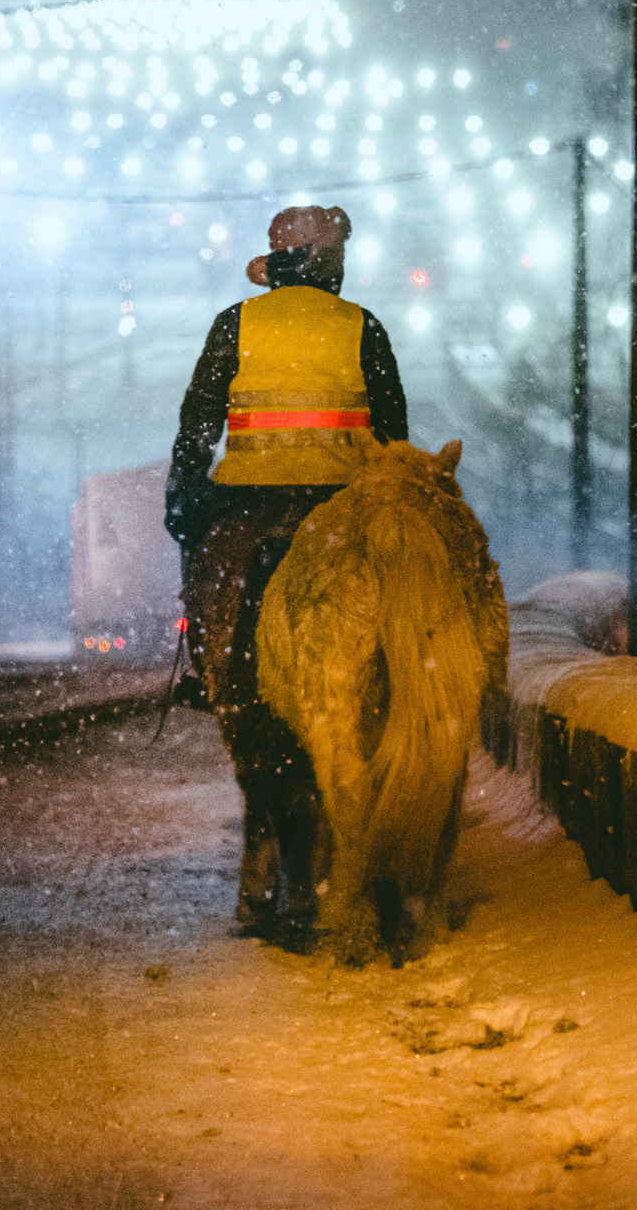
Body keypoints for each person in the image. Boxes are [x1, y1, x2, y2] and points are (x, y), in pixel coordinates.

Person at [164, 204, 408, 937]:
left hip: (247, 500)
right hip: (340, 506)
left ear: (276, 265)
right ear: (330, 265)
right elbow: (394, 436)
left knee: (207, 567)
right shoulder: (361, 327)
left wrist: (184, 495)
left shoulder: (235, 324)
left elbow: (197, 423)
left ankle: (206, 669)